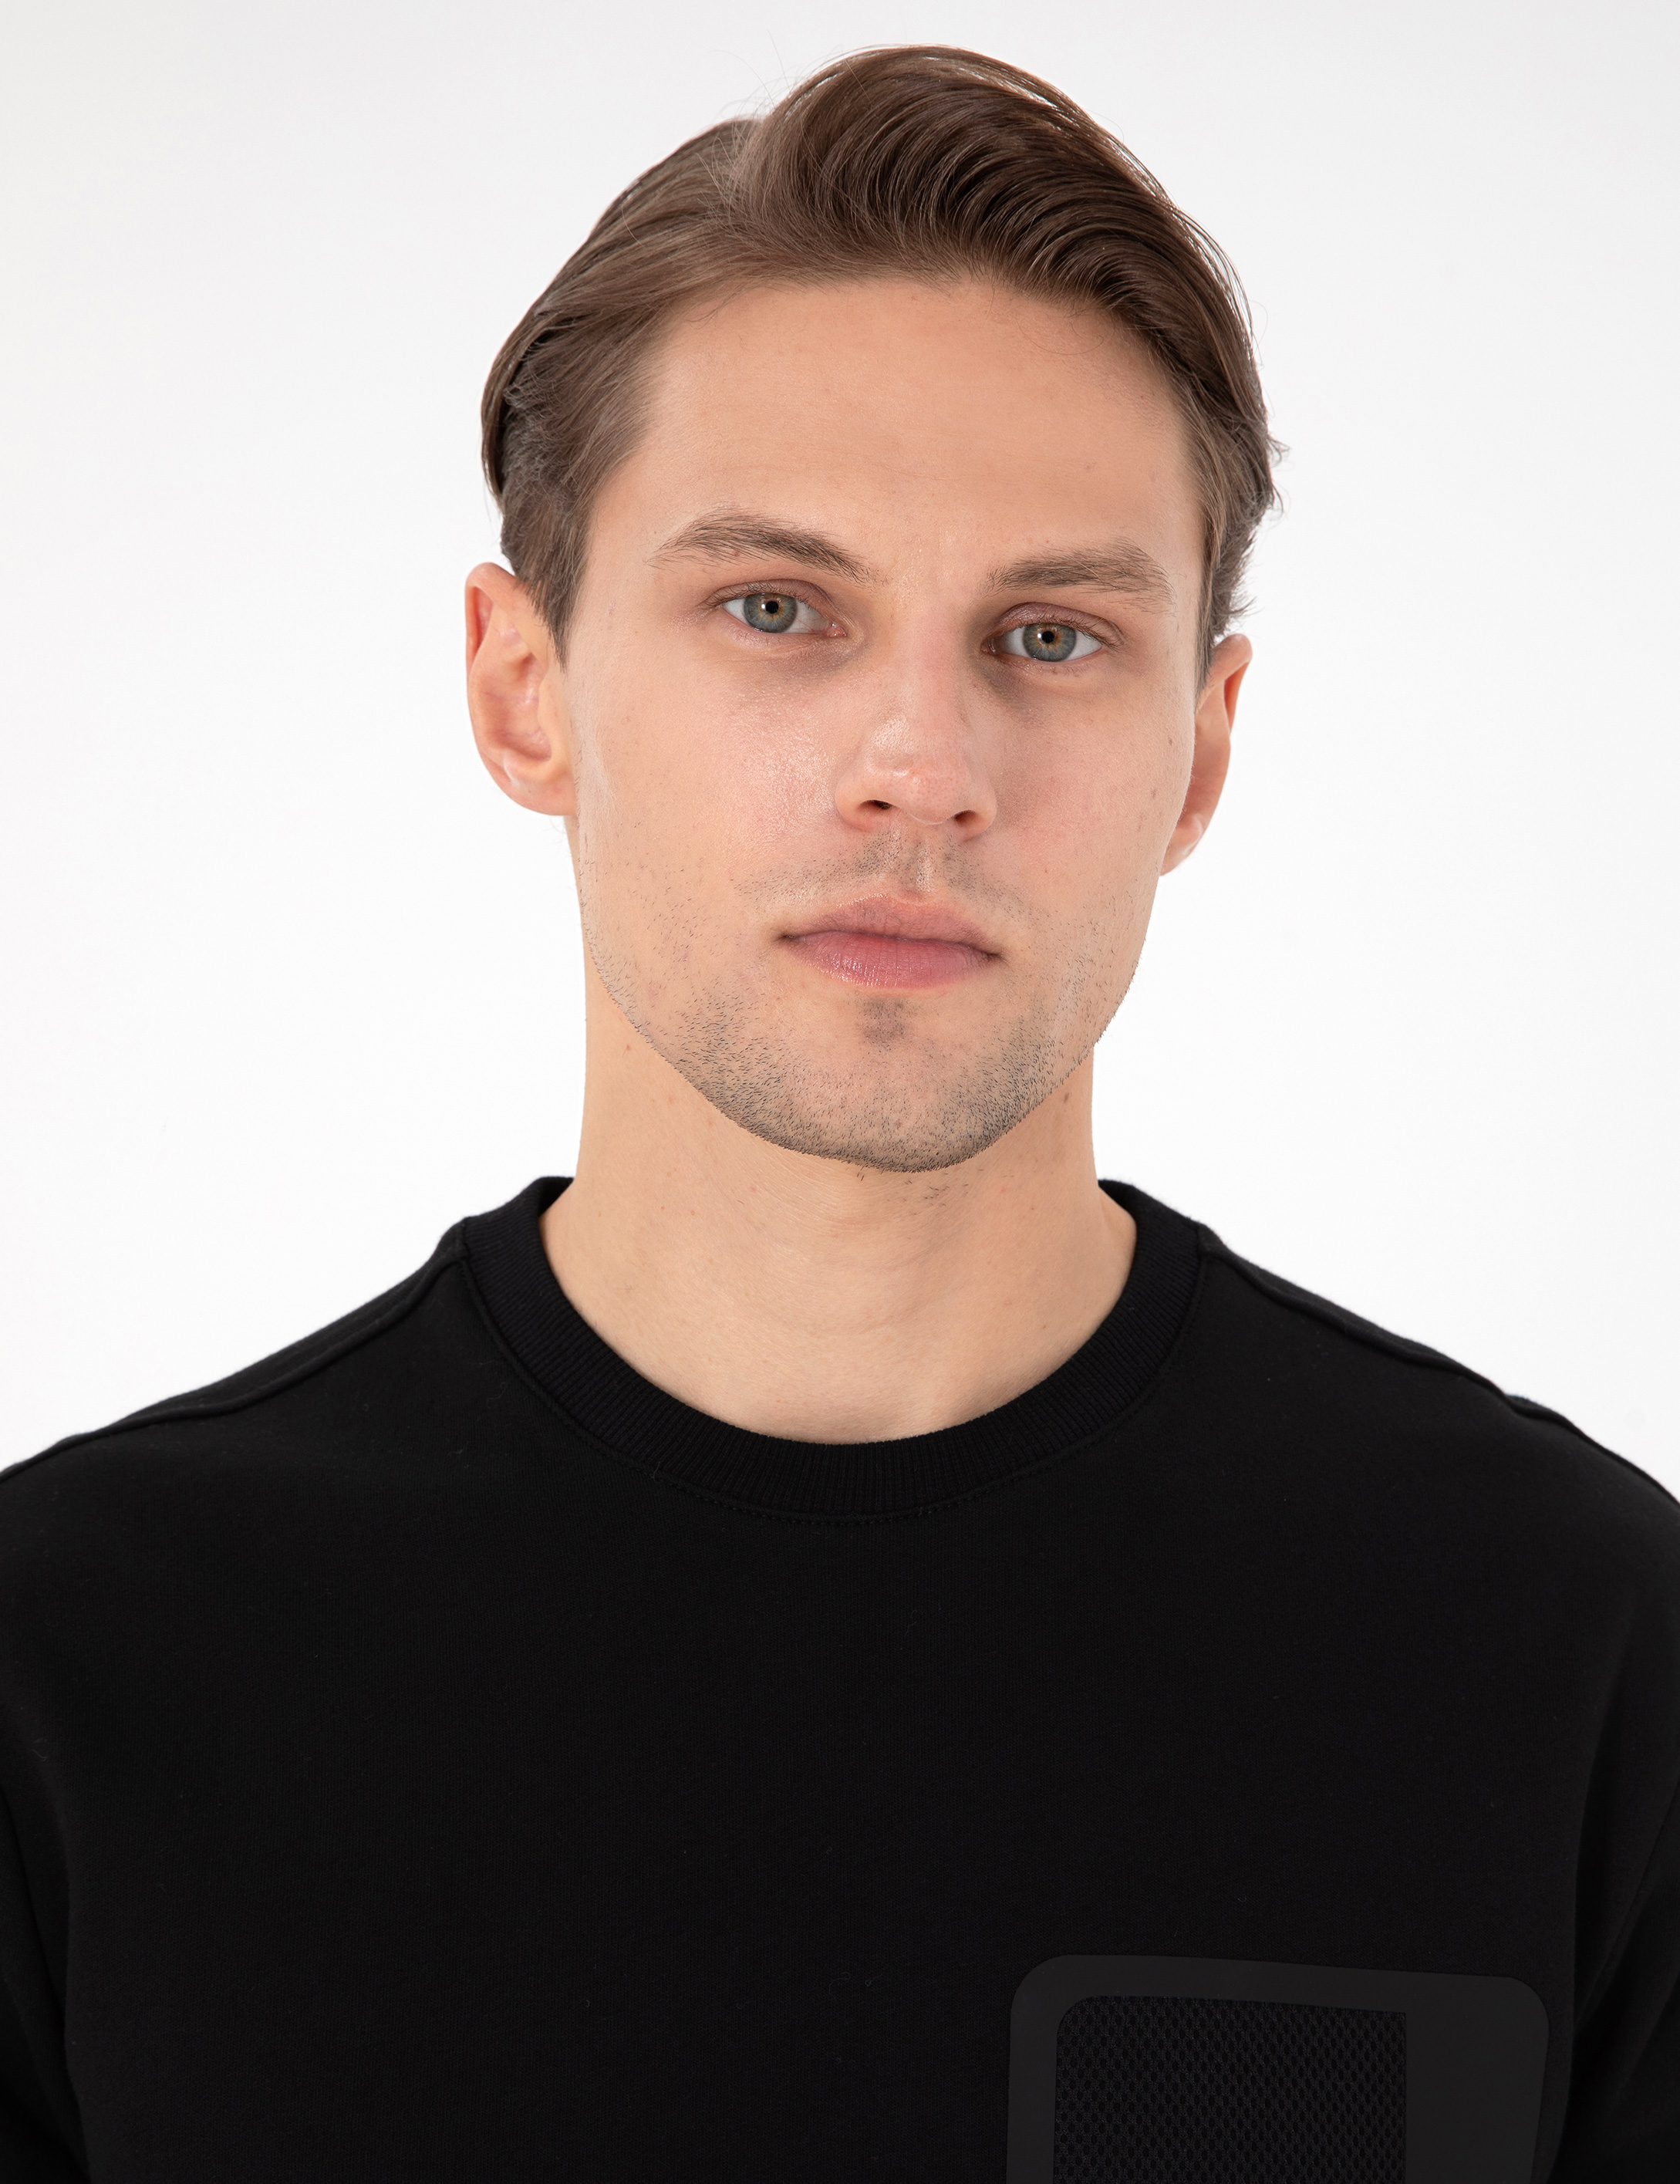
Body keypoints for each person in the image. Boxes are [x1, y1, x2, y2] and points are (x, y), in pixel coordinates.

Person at [2, 45, 1675, 2183]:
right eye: (776, 609)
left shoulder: (1572, 1658)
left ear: (1197, 750)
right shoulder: (73, 1670)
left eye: (1050, 634)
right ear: (524, 690)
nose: (921, 767)